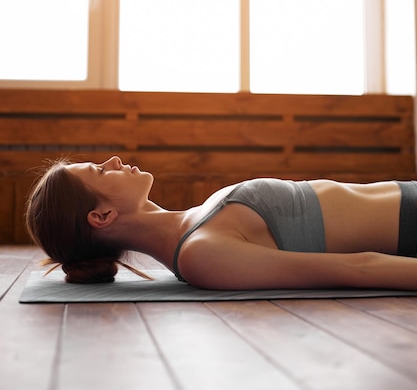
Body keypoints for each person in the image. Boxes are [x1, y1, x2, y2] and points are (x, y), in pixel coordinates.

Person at [25, 155, 417, 290]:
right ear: (101, 216)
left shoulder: (194, 222)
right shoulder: (202, 256)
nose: (112, 160)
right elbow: (357, 267)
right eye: (99, 169)